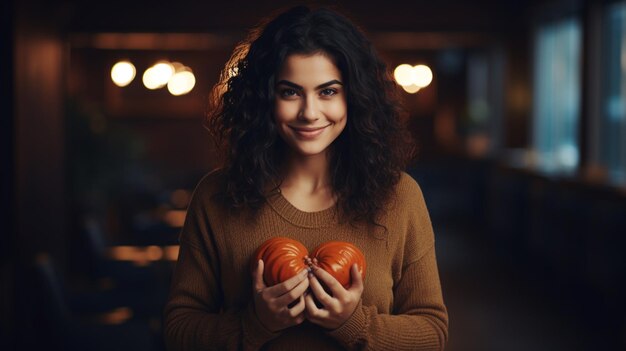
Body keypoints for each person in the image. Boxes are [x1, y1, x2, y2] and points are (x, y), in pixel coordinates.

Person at [164, 5, 448, 350]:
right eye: (290, 92)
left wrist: (353, 324)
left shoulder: (400, 196)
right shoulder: (215, 196)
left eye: (328, 91)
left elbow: (432, 334)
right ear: (264, 98)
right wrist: (255, 325)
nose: (310, 113)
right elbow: (178, 331)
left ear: (354, 98)